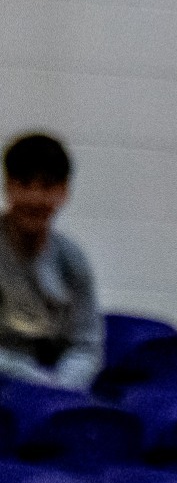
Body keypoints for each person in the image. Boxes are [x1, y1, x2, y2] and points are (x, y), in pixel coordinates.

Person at [0, 133, 102, 390]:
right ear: (8, 186)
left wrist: (61, 387)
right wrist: (31, 380)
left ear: (64, 191)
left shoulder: (72, 260)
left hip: (54, 386)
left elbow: (86, 345)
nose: (35, 198)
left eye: (47, 186)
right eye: (24, 184)